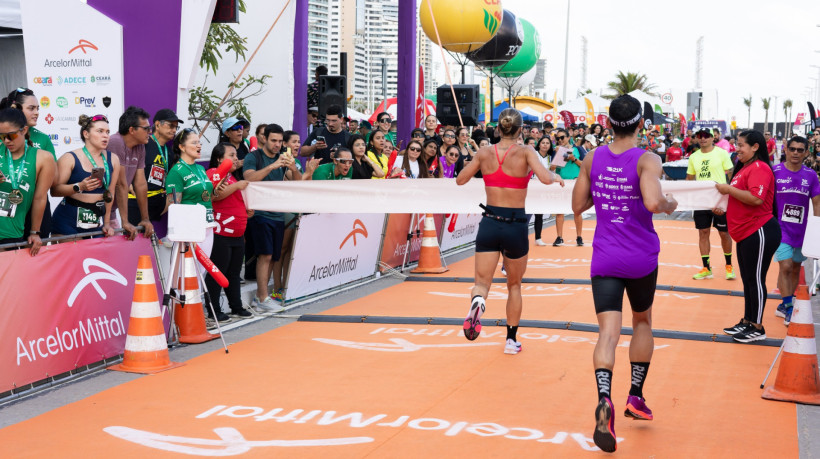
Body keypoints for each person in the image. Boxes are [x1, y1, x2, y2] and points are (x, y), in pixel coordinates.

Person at [571, 94, 678, 453]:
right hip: (640, 258)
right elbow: (651, 202)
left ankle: (605, 398)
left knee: (607, 334)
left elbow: (577, 205)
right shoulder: (648, 159)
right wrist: (669, 204)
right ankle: (635, 395)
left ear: (608, 123)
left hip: (604, 257)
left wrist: (604, 193)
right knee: (643, 321)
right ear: (640, 124)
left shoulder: (592, 157)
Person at [456, 108, 564, 355]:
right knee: (514, 285)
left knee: (482, 282)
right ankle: (510, 340)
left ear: (498, 129)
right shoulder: (526, 152)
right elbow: (545, 178)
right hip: (515, 224)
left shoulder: (484, 153)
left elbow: (460, 179)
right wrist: (555, 176)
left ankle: (478, 302)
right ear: (520, 130)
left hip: (490, 222)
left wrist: (475, 162)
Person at [716, 130, 780, 343]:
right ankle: (747, 320)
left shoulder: (760, 168)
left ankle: (757, 327)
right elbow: (739, 199)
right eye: (736, 144)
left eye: (741, 145)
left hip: (759, 230)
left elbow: (755, 199)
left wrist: (727, 189)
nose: (737, 148)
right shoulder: (744, 168)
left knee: (756, 280)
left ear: (755, 147)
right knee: (748, 280)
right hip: (745, 232)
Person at [243, 124, 300, 312]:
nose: (277, 145)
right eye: (273, 140)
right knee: (265, 255)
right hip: (259, 212)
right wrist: (273, 165)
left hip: (278, 213)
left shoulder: (283, 158)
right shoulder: (254, 156)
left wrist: (293, 168)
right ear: (264, 139)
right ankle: (262, 297)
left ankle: (262, 298)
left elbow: (298, 183)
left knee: (274, 257)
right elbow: (249, 178)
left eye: (279, 141)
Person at [771, 136, 820, 325]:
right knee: (785, 266)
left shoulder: (810, 175)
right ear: (786, 149)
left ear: (806, 152)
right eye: (792, 149)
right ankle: (788, 307)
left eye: (800, 150)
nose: (796, 153)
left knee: (795, 269)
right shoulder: (774, 171)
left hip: (802, 230)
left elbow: (816, 203)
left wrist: (816, 230)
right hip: (780, 228)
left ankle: (785, 304)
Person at [0, 87, 56, 239]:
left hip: (33, 207)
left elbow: (49, 184)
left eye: (38, 108)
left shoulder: (43, 141)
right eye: (31, 108)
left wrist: (35, 231)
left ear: (24, 131)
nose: (37, 112)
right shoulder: (3, 139)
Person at [51, 115, 120, 237]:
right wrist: (79, 186)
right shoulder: (69, 158)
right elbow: (54, 191)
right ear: (86, 134)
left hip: (96, 223)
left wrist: (107, 222)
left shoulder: (113, 159)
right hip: (67, 222)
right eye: (100, 131)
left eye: (107, 132)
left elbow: (111, 193)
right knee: (70, 257)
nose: (106, 136)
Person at [205, 143, 252, 321]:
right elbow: (214, 196)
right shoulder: (213, 174)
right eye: (231, 155)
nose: (235, 158)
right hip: (221, 232)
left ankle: (236, 306)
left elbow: (233, 200)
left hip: (237, 233)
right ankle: (213, 309)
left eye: (236, 155)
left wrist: (246, 211)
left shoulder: (231, 177)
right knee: (218, 272)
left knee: (233, 273)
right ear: (219, 158)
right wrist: (238, 186)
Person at [686, 128, 736, 280]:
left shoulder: (721, 153)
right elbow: (689, 179)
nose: (702, 139)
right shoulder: (693, 157)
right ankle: (706, 268)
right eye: (699, 136)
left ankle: (729, 266)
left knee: (724, 233)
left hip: (719, 199)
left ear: (713, 138)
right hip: (702, 201)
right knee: (703, 232)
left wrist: (729, 193)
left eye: (706, 136)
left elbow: (731, 174)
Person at [127, 108, 180, 239]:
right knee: (132, 243)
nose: (174, 130)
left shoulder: (169, 151)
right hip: (136, 202)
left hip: (156, 204)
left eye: (176, 127)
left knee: (147, 244)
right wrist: (127, 183)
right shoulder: (144, 143)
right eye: (171, 125)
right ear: (157, 124)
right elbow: (124, 163)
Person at [165, 128, 216, 254]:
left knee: (202, 272)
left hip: (207, 225)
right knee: (188, 271)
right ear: (182, 147)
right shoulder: (176, 171)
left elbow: (206, 197)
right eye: (194, 143)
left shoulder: (200, 168)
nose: (199, 146)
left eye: (199, 143)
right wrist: (185, 232)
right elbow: (174, 206)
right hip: (189, 228)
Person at [109, 106, 155, 239]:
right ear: (131, 130)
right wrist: (125, 221)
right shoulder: (115, 142)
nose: (150, 131)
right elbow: (121, 184)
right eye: (146, 128)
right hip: (95, 210)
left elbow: (140, 184)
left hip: (111, 211)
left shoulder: (140, 146)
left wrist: (145, 219)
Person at [551, 128, 585, 246]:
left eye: (562, 137)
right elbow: (552, 169)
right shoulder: (557, 150)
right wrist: (553, 166)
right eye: (558, 138)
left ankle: (579, 237)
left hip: (575, 183)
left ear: (568, 137)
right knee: (560, 211)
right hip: (562, 183)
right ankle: (559, 237)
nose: (560, 140)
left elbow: (583, 165)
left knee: (577, 210)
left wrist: (573, 159)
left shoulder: (578, 149)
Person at [533, 136, 554, 246]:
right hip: (531, 187)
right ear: (539, 144)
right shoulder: (534, 155)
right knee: (525, 213)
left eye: (547, 143)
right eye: (543, 143)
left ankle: (538, 238)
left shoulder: (550, 158)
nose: (545, 145)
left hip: (543, 188)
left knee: (539, 213)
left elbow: (552, 171)